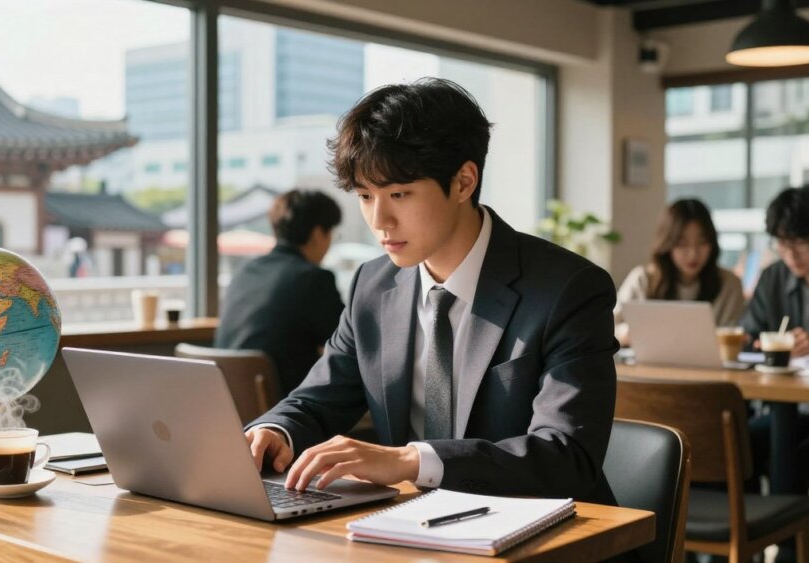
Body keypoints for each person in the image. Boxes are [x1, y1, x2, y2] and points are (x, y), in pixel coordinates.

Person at [244, 78, 619, 504]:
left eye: (399, 194)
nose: (379, 219)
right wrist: (273, 431)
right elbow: (316, 401)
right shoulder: (373, 284)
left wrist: (412, 461)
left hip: (547, 533)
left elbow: (566, 457)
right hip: (411, 529)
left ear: (463, 182)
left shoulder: (568, 289)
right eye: (365, 196)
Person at [741, 184, 809, 563]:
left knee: (793, 456)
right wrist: (760, 344)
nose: (789, 254)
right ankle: (743, 544)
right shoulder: (774, 279)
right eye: (781, 243)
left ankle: (787, 552)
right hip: (790, 407)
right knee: (739, 442)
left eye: (799, 242)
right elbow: (750, 337)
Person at [215, 189, 345, 397]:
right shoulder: (313, 278)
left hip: (233, 406)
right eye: (331, 234)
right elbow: (348, 344)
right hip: (290, 408)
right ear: (318, 233)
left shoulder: (245, 271)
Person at [614, 199, 745, 346]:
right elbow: (609, 328)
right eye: (682, 244)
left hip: (708, 368)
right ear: (667, 244)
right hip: (649, 367)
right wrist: (629, 334)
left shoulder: (729, 284)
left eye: (702, 242)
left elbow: (734, 336)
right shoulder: (643, 279)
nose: (693, 254)